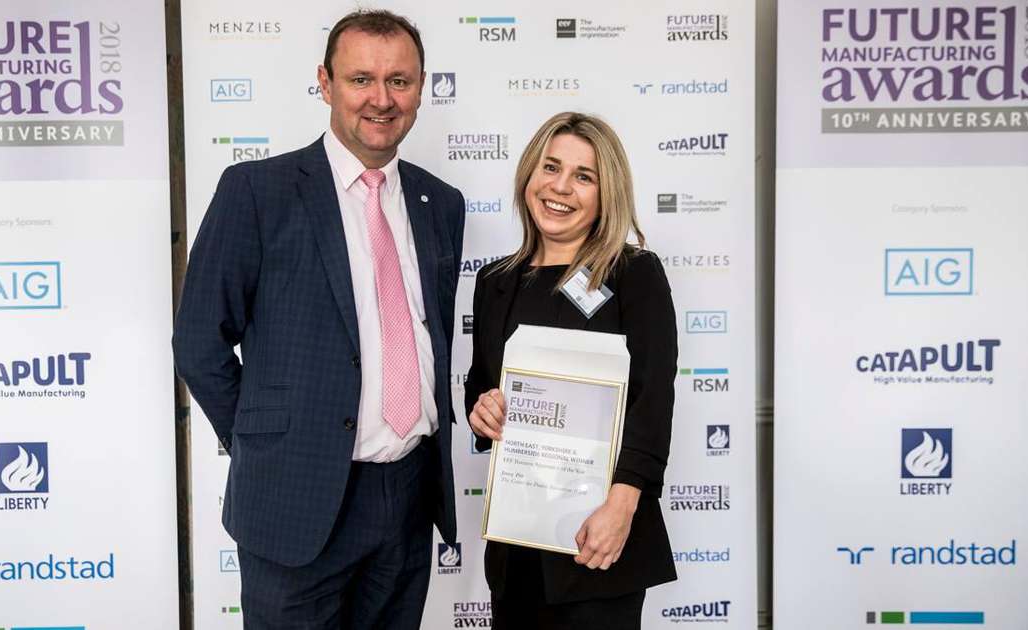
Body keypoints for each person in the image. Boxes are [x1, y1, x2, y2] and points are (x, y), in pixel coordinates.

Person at [173, 10, 464, 629]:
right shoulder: (257, 191)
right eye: (361, 79)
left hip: (408, 499)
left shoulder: (441, 202)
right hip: (295, 501)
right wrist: (269, 442)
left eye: (400, 81)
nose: (381, 100)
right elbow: (199, 341)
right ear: (325, 83)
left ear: (421, 89)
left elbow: (426, 332)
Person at [465, 112, 678, 629]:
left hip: (598, 541)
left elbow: (653, 400)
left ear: (607, 193)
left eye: (584, 176)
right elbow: (481, 380)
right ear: (528, 176)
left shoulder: (633, 275)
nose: (560, 187)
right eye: (551, 167)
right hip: (517, 544)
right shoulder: (495, 281)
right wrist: (482, 409)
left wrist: (622, 507)